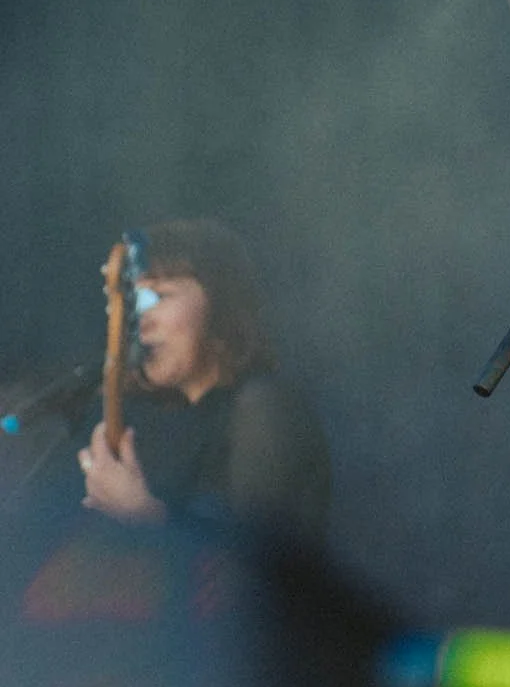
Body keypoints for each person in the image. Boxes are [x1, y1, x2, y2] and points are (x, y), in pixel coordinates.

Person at [78, 217, 329, 542]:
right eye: (134, 303)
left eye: (160, 296)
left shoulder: (263, 408)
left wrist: (143, 515)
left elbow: (258, 567)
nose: (140, 320)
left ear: (221, 305)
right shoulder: (171, 423)